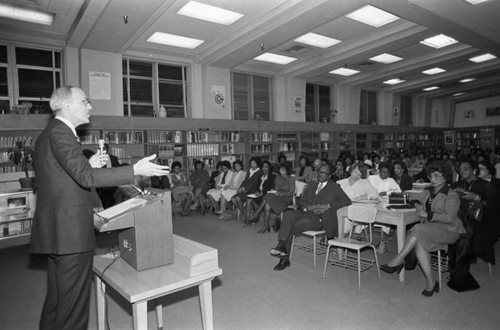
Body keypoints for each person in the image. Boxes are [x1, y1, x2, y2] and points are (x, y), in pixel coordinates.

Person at [29, 86, 169, 330]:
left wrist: (88, 163)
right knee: (73, 308)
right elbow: (85, 178)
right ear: (67, 105)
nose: (90, 106)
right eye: (85, 101)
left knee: (57, 300)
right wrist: (135, 170)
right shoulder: (62, 133)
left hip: (57, 231)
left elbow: (60, 177)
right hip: (70, 233)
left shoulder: (48, 133)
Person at [380, 161, 465, 296]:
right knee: (419, 242)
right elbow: (411, 196)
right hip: (431, 228)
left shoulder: (451, 195)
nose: (433, 179)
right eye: (431, 176)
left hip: (450, 230)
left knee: (417, 228)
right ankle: (431, 282)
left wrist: (427, 214)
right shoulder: (428, 191)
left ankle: (398, 260)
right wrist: (418, 206)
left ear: (445, 176)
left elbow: (449, 217)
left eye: (437, 176)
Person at [270, 164, 351, 271]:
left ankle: (283, 257)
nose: (320, 174)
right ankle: (282, 246)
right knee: (288, 214)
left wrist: (328, 206)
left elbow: (347, 201)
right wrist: (307, 207)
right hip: (306, 212)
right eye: (319, 171)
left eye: (323, 173)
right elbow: (301, 201)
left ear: (329, 176)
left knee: (290, 226)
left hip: (318, 219)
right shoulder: (312, 184)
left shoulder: (335, 188)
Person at [254, 164, 295, 233]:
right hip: (277, 197)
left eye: (283, 169)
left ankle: (256, 216)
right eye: (280, 169)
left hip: (286, 199)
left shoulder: (291, 179)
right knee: (267, 201)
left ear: (287, 170)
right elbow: (276, 190)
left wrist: (279, 194)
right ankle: (265, 225)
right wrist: (274, 191)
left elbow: (290, 193)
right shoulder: (277, 178)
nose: (281, 171)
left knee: (267, 197)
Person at [231, 157, 263, 223]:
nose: (252, 164)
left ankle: (244, 215)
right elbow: (245, 181)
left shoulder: (259, 172)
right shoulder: (249, 170)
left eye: (254, 163)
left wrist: (243, 189)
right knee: (233, 199)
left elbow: (254, 183)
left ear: (257, 164)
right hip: (245, 189)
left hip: (253, 190)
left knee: (238, 198)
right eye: (251, 163)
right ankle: (244, 213)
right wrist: (240, 188)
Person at [245, 160, 276, 226]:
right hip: (259, 195)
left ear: (269, 168)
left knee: (254, 201)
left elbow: (271, 189)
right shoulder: (260, 176)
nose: (264, 168)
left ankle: (254, 218)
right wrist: (257, 191)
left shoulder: (272, 177)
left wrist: (262, 193)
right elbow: (257, 187)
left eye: (266, 167)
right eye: (263, 167)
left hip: (266, 196)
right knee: (249, 199)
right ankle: (248, 219)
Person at [96, 143, 121, 208]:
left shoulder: (114, 158)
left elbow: (118, 170)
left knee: (111, 202)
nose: (103, 150)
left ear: (107, 149)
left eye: (105, 148)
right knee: (103, 202)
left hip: (112, 184)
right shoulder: (97, 159)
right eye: (101, 148)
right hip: (102, 185)